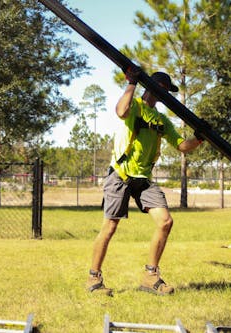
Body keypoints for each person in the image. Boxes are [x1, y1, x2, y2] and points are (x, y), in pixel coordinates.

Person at [86, 68, 204, 296]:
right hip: (120, 174)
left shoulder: (161, 120)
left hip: (143, 179)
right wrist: (131, 83)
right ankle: (94, 279)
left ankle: (151, 277)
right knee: (110, 227)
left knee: (165, 222)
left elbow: (181, 146)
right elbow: (121, 111)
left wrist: (199, 139)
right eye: (164, 89)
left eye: (168, 91)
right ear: (153, 86)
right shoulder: (136, 107)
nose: (165, 94)